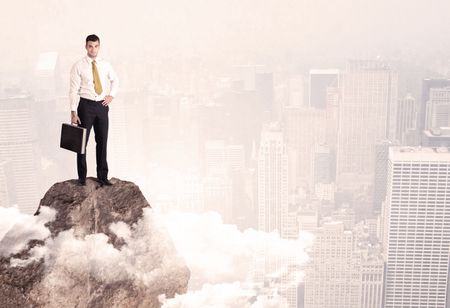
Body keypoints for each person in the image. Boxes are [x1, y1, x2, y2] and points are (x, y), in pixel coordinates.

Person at [69, 34, 119, 186]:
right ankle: (82, 178)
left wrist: (111, 95)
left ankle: (102, 177)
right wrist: (73, 112)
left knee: (102, 141)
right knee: (81, 143)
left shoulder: (105, 64)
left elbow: (115, 79)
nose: (93, 49)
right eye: (90, 46)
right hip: (85, 106)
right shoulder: (78, 65)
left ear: (99, 47)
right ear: (86, 46)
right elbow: (72, 90)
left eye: (96, 46)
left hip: (102, 106)